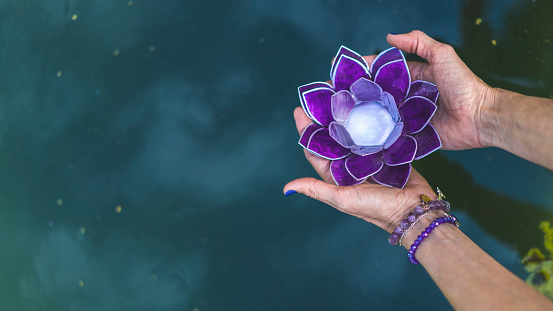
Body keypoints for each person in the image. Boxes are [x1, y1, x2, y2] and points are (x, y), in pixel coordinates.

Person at [283, 30, 553, 310]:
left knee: (478, 201)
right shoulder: (341, 143)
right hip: (372, 153)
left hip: (405, 131)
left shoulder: (412, 107)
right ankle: (468, 192)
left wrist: (482, 113)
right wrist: (482, 114)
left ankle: (468, 194)